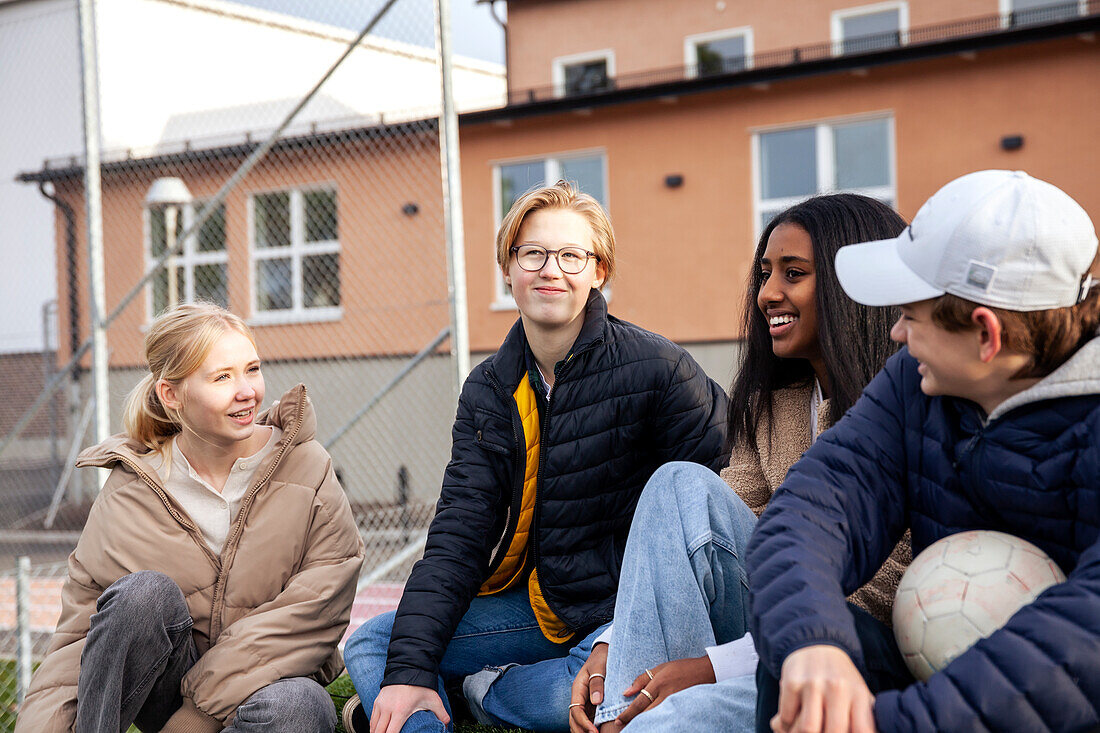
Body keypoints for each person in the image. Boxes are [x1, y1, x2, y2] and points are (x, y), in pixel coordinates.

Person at [341, 181, 729, 733]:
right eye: (533, 253)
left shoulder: (660, 371)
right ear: (509, 268)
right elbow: (459, 534)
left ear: (599, 271)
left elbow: (722, 503)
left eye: (572, 255)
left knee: (598, 704)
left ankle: (479, 691)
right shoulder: (490, 389)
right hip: (542, 610)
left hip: (633, 616)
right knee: (381, 647)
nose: (552, 269)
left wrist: (621, 632)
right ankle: (434, 711)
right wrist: (409, 670)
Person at [543, 193, 911, 733]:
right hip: (755, 640)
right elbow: (715, 541)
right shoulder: (771, 405)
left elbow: (877, 599)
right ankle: (615, 702)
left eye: (794, 273)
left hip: (848, 662)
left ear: (850, 283)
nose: (767, 294)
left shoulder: (909, 406)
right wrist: (614, 640)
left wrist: (706, 670)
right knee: (678, 487)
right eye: (765, 274)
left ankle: (599, 707)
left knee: (669, 722)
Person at [747, 170, 1100, 732]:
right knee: (812, 657)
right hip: (925, 685)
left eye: (910, 315)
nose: (895, 334)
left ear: (986, 335)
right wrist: (812, 644)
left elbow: (1075, 653)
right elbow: (809, 512)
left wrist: (887, 723)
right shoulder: (915, 382)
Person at [16, 303, 364, 733]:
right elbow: (77, 642)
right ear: (171, 394)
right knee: (142, 596)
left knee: (300, 705)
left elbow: (317, 608)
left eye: (252, 369)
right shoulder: (133, 486)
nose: (247, 391)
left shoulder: (307, 468)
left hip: (268, 688)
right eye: (222, 377)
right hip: (167, 691)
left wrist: (193, 721)